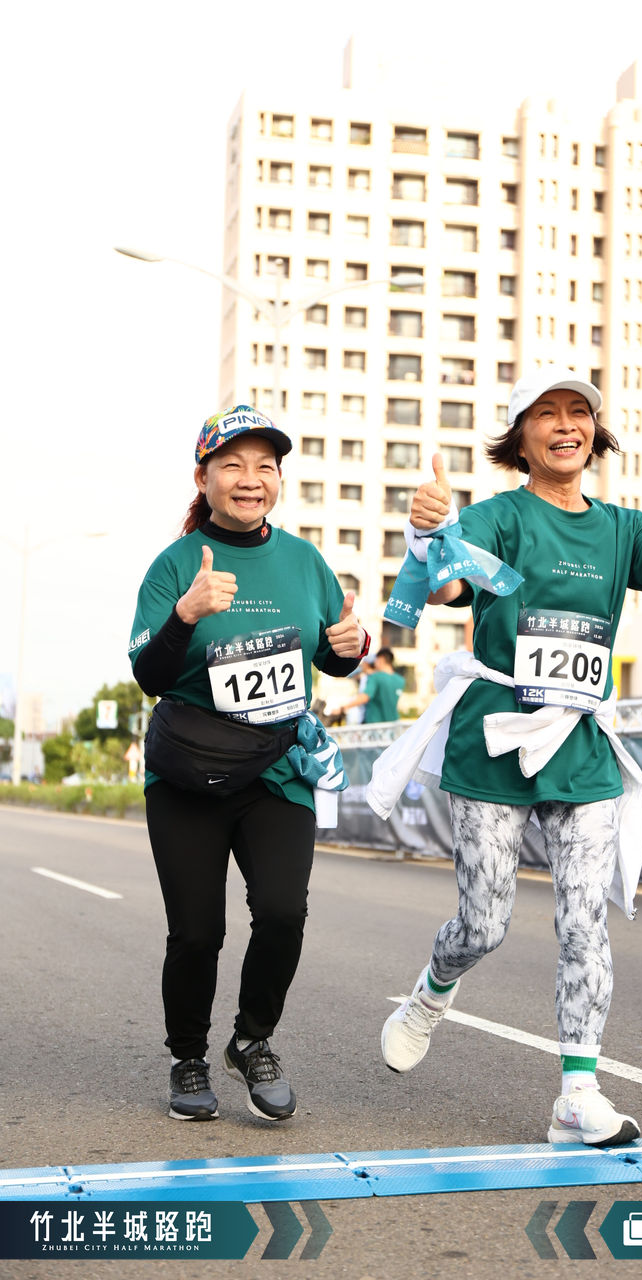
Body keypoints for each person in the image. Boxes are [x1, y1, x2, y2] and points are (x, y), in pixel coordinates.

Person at [375, 366, 642, 1147]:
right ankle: (430, 992)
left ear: (594, 432)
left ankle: (576, 1097)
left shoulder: (622, 528)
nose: (566, 426)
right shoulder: (498, 516)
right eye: (546, 414)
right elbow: (448, 589)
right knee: (483, 924)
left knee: (584, 921)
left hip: (582, 746)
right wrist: (428, 533)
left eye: (578, 413)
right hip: (495, 739)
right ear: (519, 439)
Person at [128, 405, 369, 1122]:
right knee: (197, 932)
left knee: (283, 912)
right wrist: (186, 615)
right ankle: (188, 1058)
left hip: (276, 770)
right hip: (189, 774)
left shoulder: (304, 561)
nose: (250, 478)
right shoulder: (175, 566)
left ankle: (252, 1039)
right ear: (202, 479)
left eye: (265, 465)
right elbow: (148, 673)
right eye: (231, 465)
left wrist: (350, 648)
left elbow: (332, 652)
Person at [337, 648, 405, 724]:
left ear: (381, 659)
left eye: (376, 659)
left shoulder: (375, 677)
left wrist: (344, 708)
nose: (374, 663)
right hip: (393, 724)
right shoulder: (400, 680)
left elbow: (365, 697)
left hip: (375, 724)